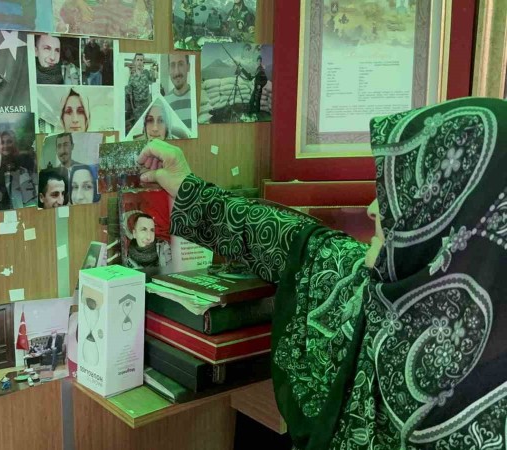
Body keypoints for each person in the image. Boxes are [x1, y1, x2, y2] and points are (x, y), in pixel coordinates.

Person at [137, 98, 507, 448]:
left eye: (401, 195)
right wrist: (187, 187)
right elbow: (290, 242)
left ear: (456, 221)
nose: (373, 209)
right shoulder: (375, 290)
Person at [0, 130, 37, 209]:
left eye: (9, 142)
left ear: (15, 143)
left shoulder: (24, 161)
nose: (5, 145)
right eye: (2, 142)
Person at [126, 53, 156, 131]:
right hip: (137, 108)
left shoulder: (147, 73)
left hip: (147, 106)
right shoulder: (132, 78)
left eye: (141, 60)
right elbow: (130, 95)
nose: (139, 62)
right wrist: (133, 109)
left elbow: (153, 80)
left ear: (143, 62)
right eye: (138, 60)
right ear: (135, 62)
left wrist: (153, 71)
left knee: (148, 127)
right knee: (139, 129)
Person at [163, 54, 192, 129]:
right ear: (168, 69)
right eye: (172, 65)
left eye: (181, 64)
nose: (177, 72)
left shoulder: (198, 97)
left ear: (188, 67)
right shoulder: (164, 103)